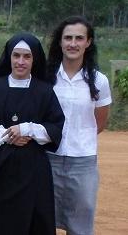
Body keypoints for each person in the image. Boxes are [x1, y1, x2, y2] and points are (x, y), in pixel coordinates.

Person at [0, 33, 65, 235]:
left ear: (34, 59)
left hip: (33, 168)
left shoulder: (44, 91)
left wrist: (27, 129)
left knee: (32, 219)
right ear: (8, 57)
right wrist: (8, 135)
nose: (20, 62)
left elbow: (55, 126)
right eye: (16, 55)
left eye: (26, 57)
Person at [46, 16, 112, 235]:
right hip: (47, 158)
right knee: (43, 221)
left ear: (88, 42)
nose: (73, 43)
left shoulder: (99, 81)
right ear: (60, 42)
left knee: (81, 226)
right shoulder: (46, 77)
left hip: (83, 163)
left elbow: (98, 123)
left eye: (79, 38)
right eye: (68, 38)